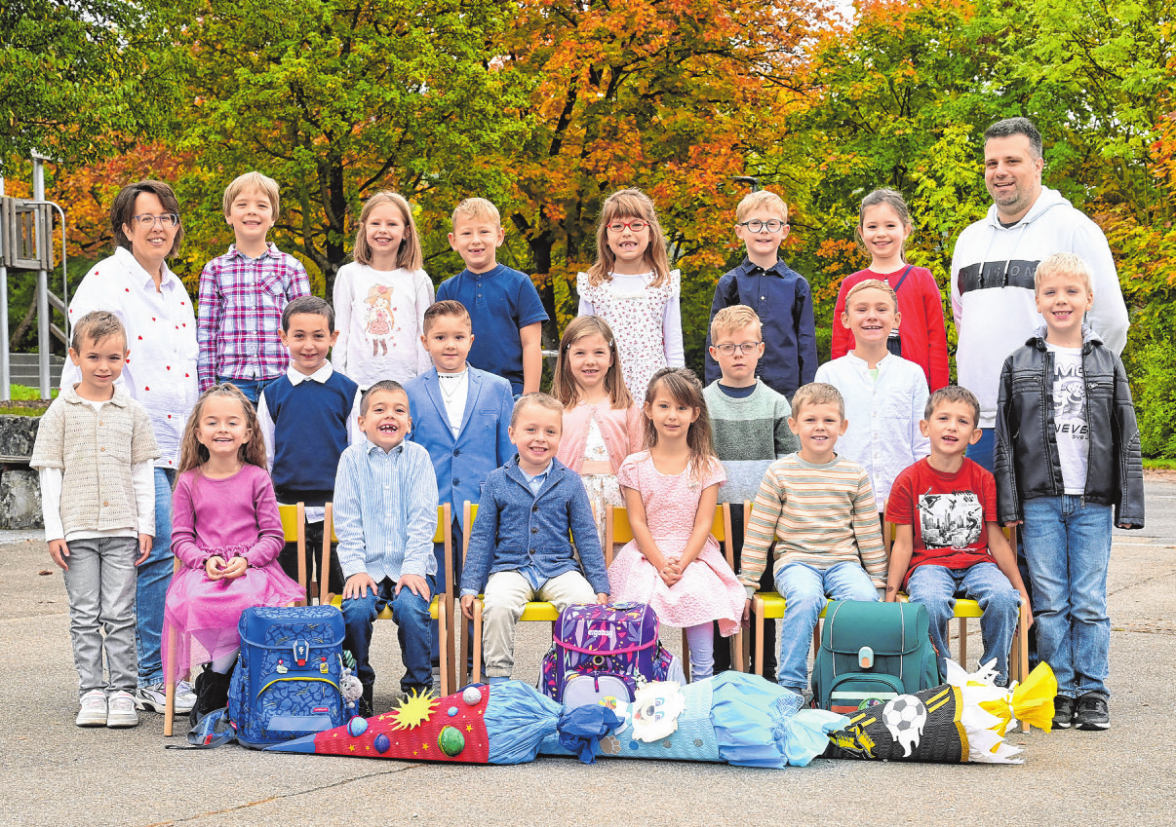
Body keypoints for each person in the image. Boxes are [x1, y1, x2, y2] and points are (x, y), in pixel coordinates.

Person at [62, 179, 200, 715]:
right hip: (125, 443)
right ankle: (148, 674)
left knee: (164, 557)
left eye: (167, 216)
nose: (159, 226)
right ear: (125, 226)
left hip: (176, 443)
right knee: (156, 551)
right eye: (147, 218)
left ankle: (150, 668)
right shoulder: (106, 281)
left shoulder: (176, 286)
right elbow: (88, 360)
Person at [995, 252, 1144, 731]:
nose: (1062, 301)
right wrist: (1009, 503)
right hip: (1038, 500)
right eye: (1052, 293)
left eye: (1071, 292)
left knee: (1089, 600)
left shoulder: (1106, 360)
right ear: (1037, 301)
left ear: (1089, 299)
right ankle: (1058, 688)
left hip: (1093, 501)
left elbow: (1126, 433)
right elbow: (1005, 439)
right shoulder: (1017, 362)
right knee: (1050, 601)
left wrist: (1130, 503)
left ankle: (1092, 689)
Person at [951, 116, 1130, 473]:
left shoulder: (1074, 229)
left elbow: (1111, 321)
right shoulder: (969, 239)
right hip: (977, 421)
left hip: (1050, 421)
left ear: (1038, 165)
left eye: (1012, 161)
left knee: (1044, 528)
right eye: (991, 163)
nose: (1000, 172)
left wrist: (1073, 391)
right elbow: (963, 322)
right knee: (990, 528)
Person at [32, 312, 160, 728]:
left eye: (112, 357)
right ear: (75, 356)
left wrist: (145, 525)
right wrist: (55, 532)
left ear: (125, 357)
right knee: (85, 613)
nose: (103, 366)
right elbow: (51, 475)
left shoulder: (134, 413)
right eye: (93, 357)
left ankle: (122, 690)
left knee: (120, 613)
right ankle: (91, 691)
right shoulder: (60, 412)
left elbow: (143, 473)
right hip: (78, 531)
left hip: (123, 531)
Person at [163, 384, 304, 723]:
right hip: (204, 569)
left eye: (232, 422)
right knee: (195, 601)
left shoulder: (257, 479)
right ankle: (219, 679)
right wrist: (202, 559)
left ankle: (213, 684)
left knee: (249, 603)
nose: (222, 429)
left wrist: (248, 559)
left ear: (247, 432)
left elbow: (273, 535)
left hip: (252, 569)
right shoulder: (188, 482)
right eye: (212, 422)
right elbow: (181, 538)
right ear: (198, 432)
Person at [738, 383, 888, 696]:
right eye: (810, 420)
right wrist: (748, 584)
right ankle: (791, 684)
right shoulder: (779, 473)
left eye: (829, 420)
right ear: (793, 425)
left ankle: (845, 679)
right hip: (796, 562)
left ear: (843, 427)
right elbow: (760, 530)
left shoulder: (854, 474)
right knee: (805, 599)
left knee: (864, 600)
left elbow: (868, 532)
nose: (819, 427)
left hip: (842, 563)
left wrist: (879, 581)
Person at [884, 386, 1031, 687]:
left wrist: (1022, 593)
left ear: (974, 435)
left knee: (1004, 598)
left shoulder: (982, 479)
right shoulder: (908, 481)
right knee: (929, 601)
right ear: (925, 427)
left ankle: (993, 676)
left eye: (963, 421)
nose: (952, 426)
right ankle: (943, 676)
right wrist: (889, 595)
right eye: (943, 418)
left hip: (978, 564)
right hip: (928, 566)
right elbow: (903, 544)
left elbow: (997, 540)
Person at [460, 393, 611, 684]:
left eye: (550, 432)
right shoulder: (496, 481)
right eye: (531, 430)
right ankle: (499, 679)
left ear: (560, 437)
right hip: (511, 568)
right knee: (498, 604)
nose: (540, 438)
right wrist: (469, 585)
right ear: (512, 434)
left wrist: (600, 585)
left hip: (558, 568)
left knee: (584, 602)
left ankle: (576, 674)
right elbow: (481, 537)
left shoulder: (569, 481)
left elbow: (586, 536)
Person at [607, 368, 746, 680]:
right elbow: (638, 522)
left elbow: (703, 524)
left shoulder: (707, 466)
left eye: (682, 408)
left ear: (695, 413)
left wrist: (681, 564)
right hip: (647, 554)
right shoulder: (635, 466)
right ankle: (642, 678)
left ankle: (702, 680)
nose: (673, 415)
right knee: (640, 596)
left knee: (697, 591)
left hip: (693, 555)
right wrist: (660, 564)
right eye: (664, 406)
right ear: (648, 409)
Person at [404, 300, 514, 666]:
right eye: (440, 337)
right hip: (429, 506)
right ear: (425, 341)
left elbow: (506, 453)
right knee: (432, 589)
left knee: (476, 587)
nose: (449, 344)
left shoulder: (497, 389)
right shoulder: (410, 392)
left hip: (480, 507)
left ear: (471, 340)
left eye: (457, 337)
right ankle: (434, 663)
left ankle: (475, 661)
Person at [702, 305, 797, 676]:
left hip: (763, 520)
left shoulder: (775, 402)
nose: (738, 354)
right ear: (714, 353)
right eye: (728, 347)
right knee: (719, 597)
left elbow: (789, 465)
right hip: (717, 519)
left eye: (746, 346)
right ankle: (721, 671)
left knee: (760, 597)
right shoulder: (703, 403)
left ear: (761, 349)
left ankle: (766, 670)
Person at [334, 380, 439, 713]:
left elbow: (424, 520)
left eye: (399, 410)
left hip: (413, 566)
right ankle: (357, 686)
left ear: (410, 423)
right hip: (365, 566)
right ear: (362, 422)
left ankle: (418, 689)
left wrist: (412, 568)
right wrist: (355, 570)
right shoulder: (351, 460)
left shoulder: (419, 458)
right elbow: (347, 521)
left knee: (410, 607)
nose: (389, 415)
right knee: (355, 608)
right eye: (379, 409)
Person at [257, 296, 362, 599]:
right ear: (283, 337)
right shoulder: (273, 394)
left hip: (338, 509)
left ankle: (343, 648)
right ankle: (294, 646)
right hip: (287, 510)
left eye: (318, 336)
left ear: (333, 337)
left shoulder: (348, 391)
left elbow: (356, 451)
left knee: (340, 592)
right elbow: (264, 456)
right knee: (291, 590)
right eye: (299, 336)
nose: (309, 345)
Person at [196, 171, 311, 402]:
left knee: (284, 439)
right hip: (232, 382)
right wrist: (207, 388)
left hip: (283, 380)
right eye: (242, 204)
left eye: (261, 205)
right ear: (228, 215)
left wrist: (306, 378)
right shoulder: (215, 270)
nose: (252, 211)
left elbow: (306, 328)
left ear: (273, 217)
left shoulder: (291, 267)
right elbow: (207, 334)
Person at [816, 279, 929, 508]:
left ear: (896, 319)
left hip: (901, 502)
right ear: (845, 320)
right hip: (845, 503)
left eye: (881, 309)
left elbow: (922, 444)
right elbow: (820, 441)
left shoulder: (912, 374)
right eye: (861, 309)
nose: (871, 316)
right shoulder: (829, 374)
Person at [832, 188, 949, 391]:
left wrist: (939, 395)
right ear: (861, 232)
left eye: (890, 225)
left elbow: (936, 341)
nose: (881, 234)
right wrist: (838, 388)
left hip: (912, 382)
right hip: (859, 381)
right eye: (872, 226)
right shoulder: (851, 284)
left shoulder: (921, 279)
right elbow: (840, 340)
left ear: (905, 230)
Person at [704, 190, 816, 400]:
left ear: (784, 231)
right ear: (739, 231)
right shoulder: (730, 284)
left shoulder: (797, 285)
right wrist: (713, 391)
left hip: (786, 391)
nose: (764, 231)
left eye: (772, 224)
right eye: (755, 224)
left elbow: (807, 343)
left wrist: (807, 394)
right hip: (736, 390)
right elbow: (715, 339)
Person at [578, 188, 684, 400]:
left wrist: (678, 391)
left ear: (651, 232)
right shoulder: (593, 285)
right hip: (606, 392)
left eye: (636, 225)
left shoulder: (664, 284)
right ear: (606, 236)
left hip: (653, 392)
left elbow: (673, 347)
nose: (627, 232)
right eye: (617, 226)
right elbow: (582, 344)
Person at [436, 198, 547, 397]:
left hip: (511, 391)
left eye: (484, 231)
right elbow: (442, 346)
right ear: (453, 241)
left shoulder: (519, 284)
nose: (475, 240)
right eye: (467, 233)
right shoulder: (448, 290)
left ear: (499, 236)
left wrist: (529, 398)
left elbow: (531, 345)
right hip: (461, 392)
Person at [551, 316, 643, 538]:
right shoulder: (554, 409)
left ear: (611, 359)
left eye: (598, 353)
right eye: (580, 353)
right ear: (566, 358)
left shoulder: (627, 407)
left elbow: (640, 460)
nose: (589, 361)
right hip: (570, 504)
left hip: (617, 503)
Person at [332, 191, 434, 388]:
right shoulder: (349, 275)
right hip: (359, 383)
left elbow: (424, 335)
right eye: (375, 223)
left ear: (406, 231)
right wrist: (339, 380)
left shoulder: (417, 278)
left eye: (392, 224)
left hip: (407, 382)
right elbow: (341, 332)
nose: (383, 230)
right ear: (363, 229)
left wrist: (424, 382)